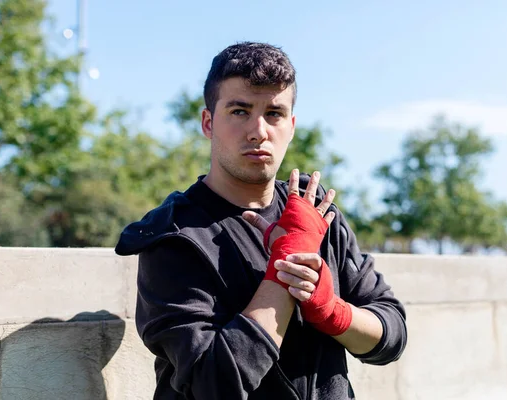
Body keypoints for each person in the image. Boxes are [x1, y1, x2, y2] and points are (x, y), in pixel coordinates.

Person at [115, 41, 407, 400]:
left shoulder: (314, 211)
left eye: (274, 113)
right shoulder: (174, 236)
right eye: (239, 111)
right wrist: (287, 265)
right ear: (208, 123)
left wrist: (333, 312)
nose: (259, 131)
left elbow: (391, 332)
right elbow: (214, 382)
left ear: (292, 125)